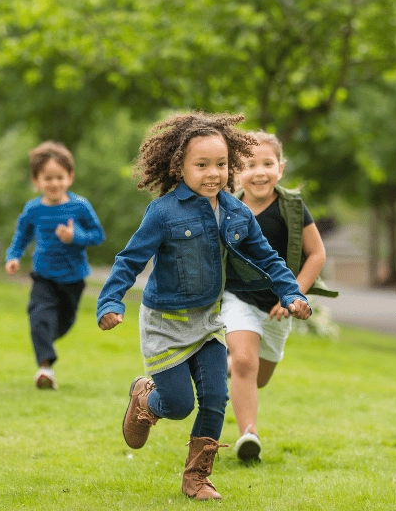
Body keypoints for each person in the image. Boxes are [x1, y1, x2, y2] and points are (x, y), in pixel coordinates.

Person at [96, 112, 312, 501]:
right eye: (202, 165)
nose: (213, 173)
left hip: (209, 321)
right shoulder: (163, 213)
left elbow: (268, 258)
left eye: (222, 164)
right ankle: (145, 399)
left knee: (215, 396)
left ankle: (197, 479)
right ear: (179, 166)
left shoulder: (235, 211)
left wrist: (291, 293)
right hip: (165, 323)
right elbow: (129, 260)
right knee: (177, 405)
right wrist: (110, 300)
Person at [221, 131, 338, 462]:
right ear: (236, 172)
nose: (259, 172)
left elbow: (316, 254)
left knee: (259, 377)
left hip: (278, 307)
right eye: (249, 164)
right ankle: (249, 435)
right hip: (236, 297)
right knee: (246, 360)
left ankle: (227, 365)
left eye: (267, 163)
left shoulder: (292, 208)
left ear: (281, 168)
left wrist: (292, 295)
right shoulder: (226, 206)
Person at [5, 141, 105, 390]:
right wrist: (13, 256)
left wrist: (75, 237)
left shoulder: (79, 206)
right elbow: (22, 235)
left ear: (70, 177)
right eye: (47, 178)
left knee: (62, 323)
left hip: (73, 277)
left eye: (59, 177)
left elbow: (98, 235)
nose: (54, 183)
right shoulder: (33, 209)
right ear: (36, 180)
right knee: (39, 316)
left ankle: (45, 342)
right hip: (44, 275)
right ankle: (45, 369)